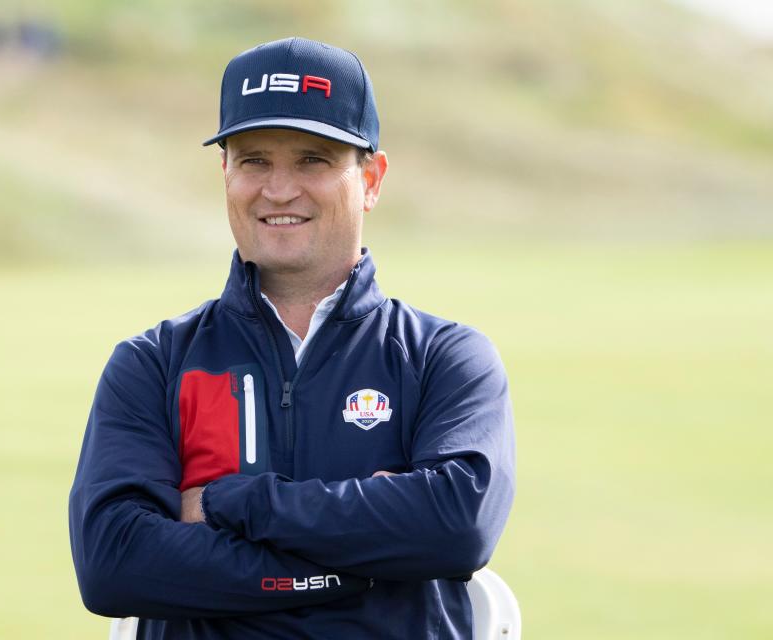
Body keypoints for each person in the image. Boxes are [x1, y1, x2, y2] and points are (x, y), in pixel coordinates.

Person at [69, 37, 515, 639]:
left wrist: (231, 504)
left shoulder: (444, 358)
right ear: (225, 172)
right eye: (254, 160)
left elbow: (457, 528)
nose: (279, 190)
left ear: (372, 179)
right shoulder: (153, 364)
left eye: (313, 159)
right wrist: (357, 562)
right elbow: (114, 566)